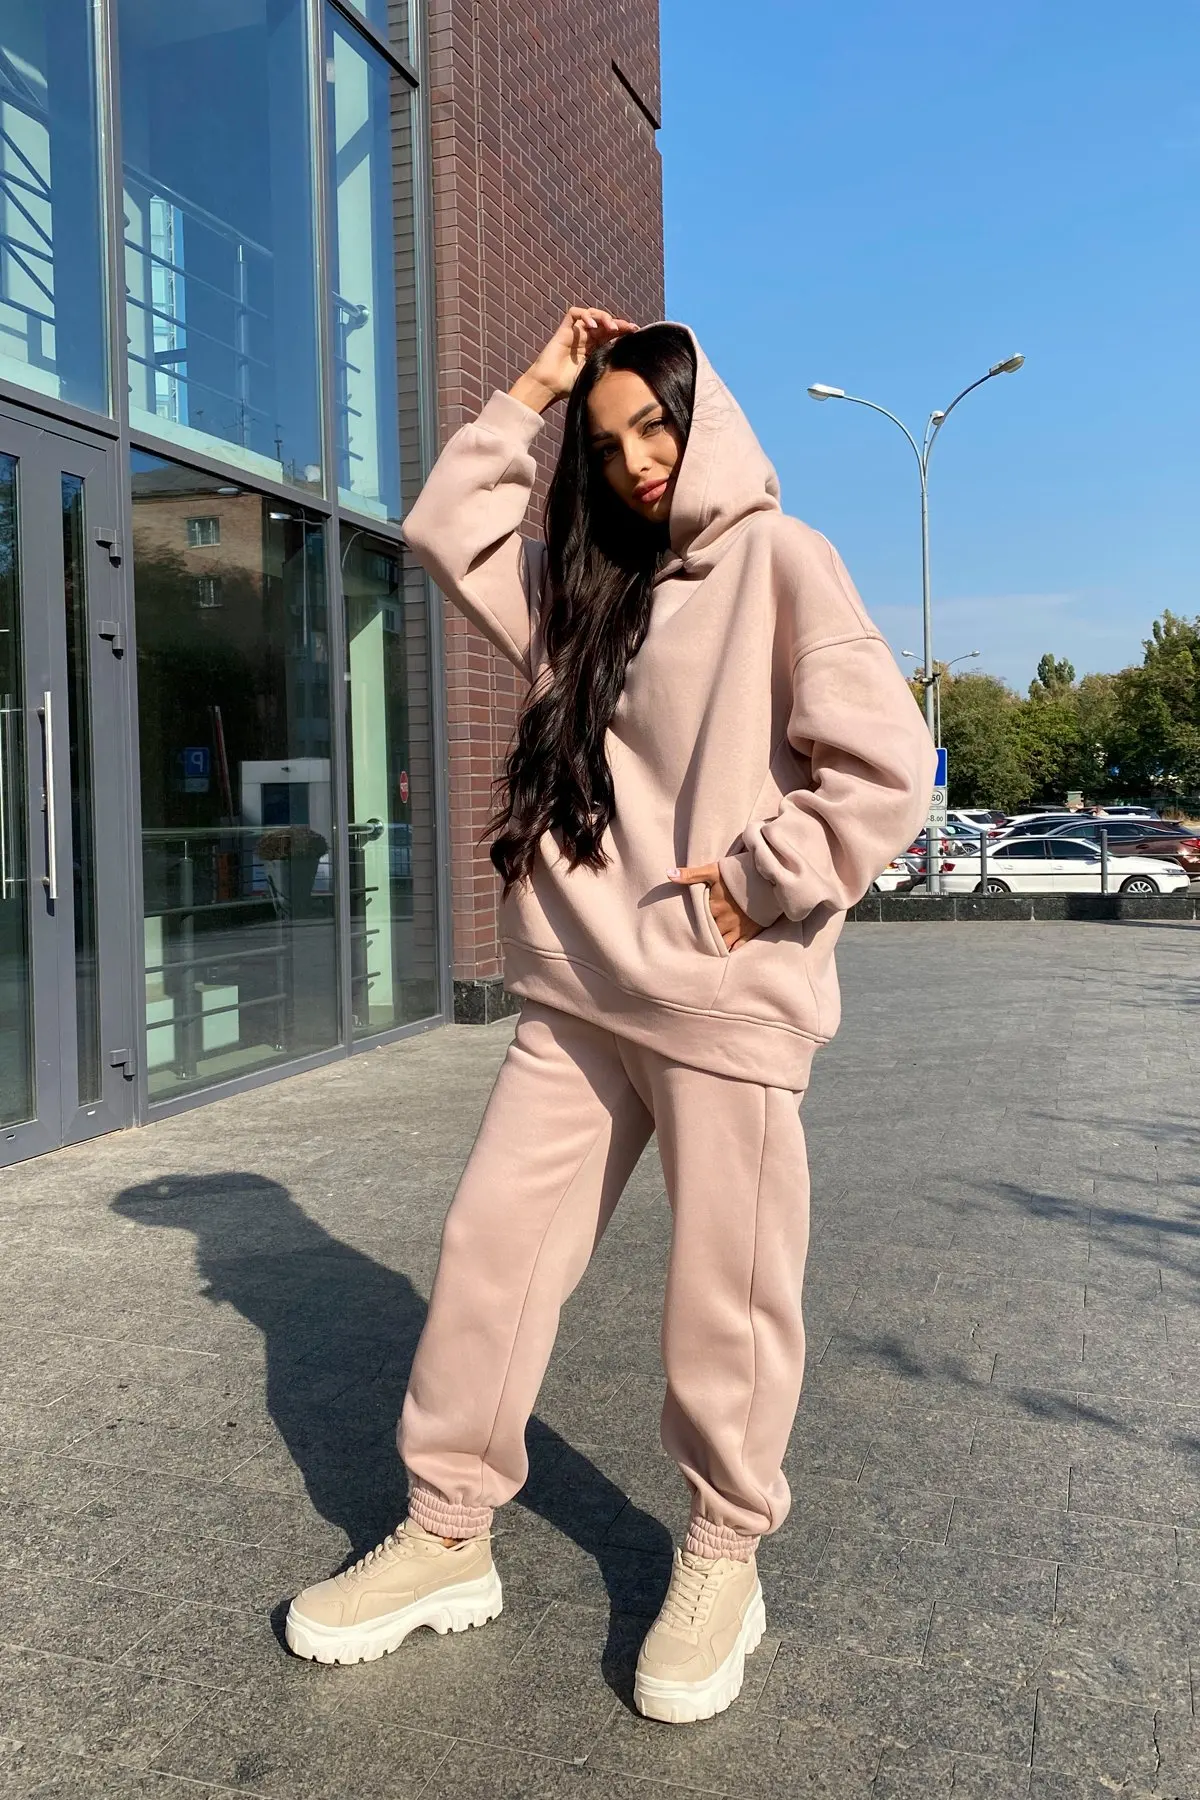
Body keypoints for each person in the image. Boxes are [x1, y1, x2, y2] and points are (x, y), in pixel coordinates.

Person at [286, 308, 936, 1723]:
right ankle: (448, 1532)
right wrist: (533, 385)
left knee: (727, 1299)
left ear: (709, 422)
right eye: (608, 441)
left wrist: (755, 890)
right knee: (490, 1251)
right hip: (576, 993)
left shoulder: (783, 559)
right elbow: (447, 530)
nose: (638, 459)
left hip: (723, 1001)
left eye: (657, 425)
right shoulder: (585, 588)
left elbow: (888, 767)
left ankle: (724, 1555)